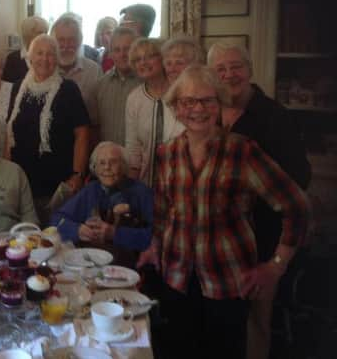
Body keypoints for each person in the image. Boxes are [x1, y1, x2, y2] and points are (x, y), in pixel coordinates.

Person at [138, 64, 310, 359]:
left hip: (227, 280)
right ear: (176, 108)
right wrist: (155, 247)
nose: (198, 109)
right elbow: (165, 208)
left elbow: (296, 205)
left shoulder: (241, 151)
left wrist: (277, 264)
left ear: (219, 105)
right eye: (188, 101)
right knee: (178, 349)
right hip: (176, 276)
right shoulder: (168, 153)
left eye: (207, 100)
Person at [208, 42, 311, 359]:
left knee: (256, 322)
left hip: (263, 238)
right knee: (222, 323)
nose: (229, 74)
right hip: (219, 238)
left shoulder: (273, 117)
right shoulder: (209, 112)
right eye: (220, 69)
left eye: (235, 66)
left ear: (250, 69)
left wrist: (277, 262)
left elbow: (298, 179)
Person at [7, 34, 90, 225]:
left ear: (57, 58)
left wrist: (77, 174)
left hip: (57, 180)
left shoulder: (68, 89)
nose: (45, 59)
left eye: (51, 54)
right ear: (30, 56)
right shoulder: (19, 87)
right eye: (39, 53)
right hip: (22, 180)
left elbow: (82, 133)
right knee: (25, 237)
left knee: (54, 238)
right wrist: (6, 172)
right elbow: (9, 131)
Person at [50, 141, 153, 257]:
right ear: (95, 169)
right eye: (102, 163)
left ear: (124, 165)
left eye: (113, 162)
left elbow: (154, 237)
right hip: (91, 261)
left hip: (127, 265)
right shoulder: (90, 190)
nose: (107, 167)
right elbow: (56, 219)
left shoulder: (141, 192)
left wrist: (114, 234)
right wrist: (77, 230)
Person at [125, 38, 183, 185]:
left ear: (162, 59)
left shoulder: (181, 92)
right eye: (137, 59)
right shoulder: (134, 98)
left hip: (182, 180)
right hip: (146, 183)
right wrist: (131, 188)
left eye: (150, 56)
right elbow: (133, 148)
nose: (143, 63)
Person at [50, 13, 101, 130]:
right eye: (61, 40)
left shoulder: (94, 70)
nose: (66, 45)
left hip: (87, 136)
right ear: (53, 42)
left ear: (80, 41)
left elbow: (99, 114)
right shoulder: (45, 69)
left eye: (71, 40)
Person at [96, 27, 141, 145]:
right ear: (110, 54)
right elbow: (95, 126)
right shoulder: (101, 85)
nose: (122, 54)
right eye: (117, 50)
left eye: (127, 49)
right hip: (109, 160)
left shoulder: (146, 82)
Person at [2, 16, 49, 83]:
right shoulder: (13, 59)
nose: (45, 36)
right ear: (28, 34)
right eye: (40, 33)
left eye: (46, 33)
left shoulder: (49, 57)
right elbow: (8, 86)